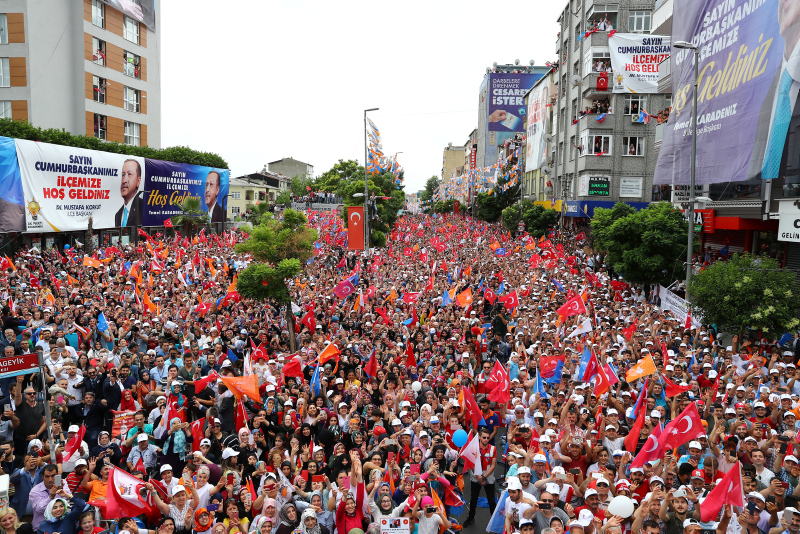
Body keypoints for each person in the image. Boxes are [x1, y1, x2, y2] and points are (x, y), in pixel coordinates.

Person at [114, 159, 143, 227]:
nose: (124, 180)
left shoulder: (143, 207)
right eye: (123, 175)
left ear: (138, 181)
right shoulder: (118, 215)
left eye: (129, 174)